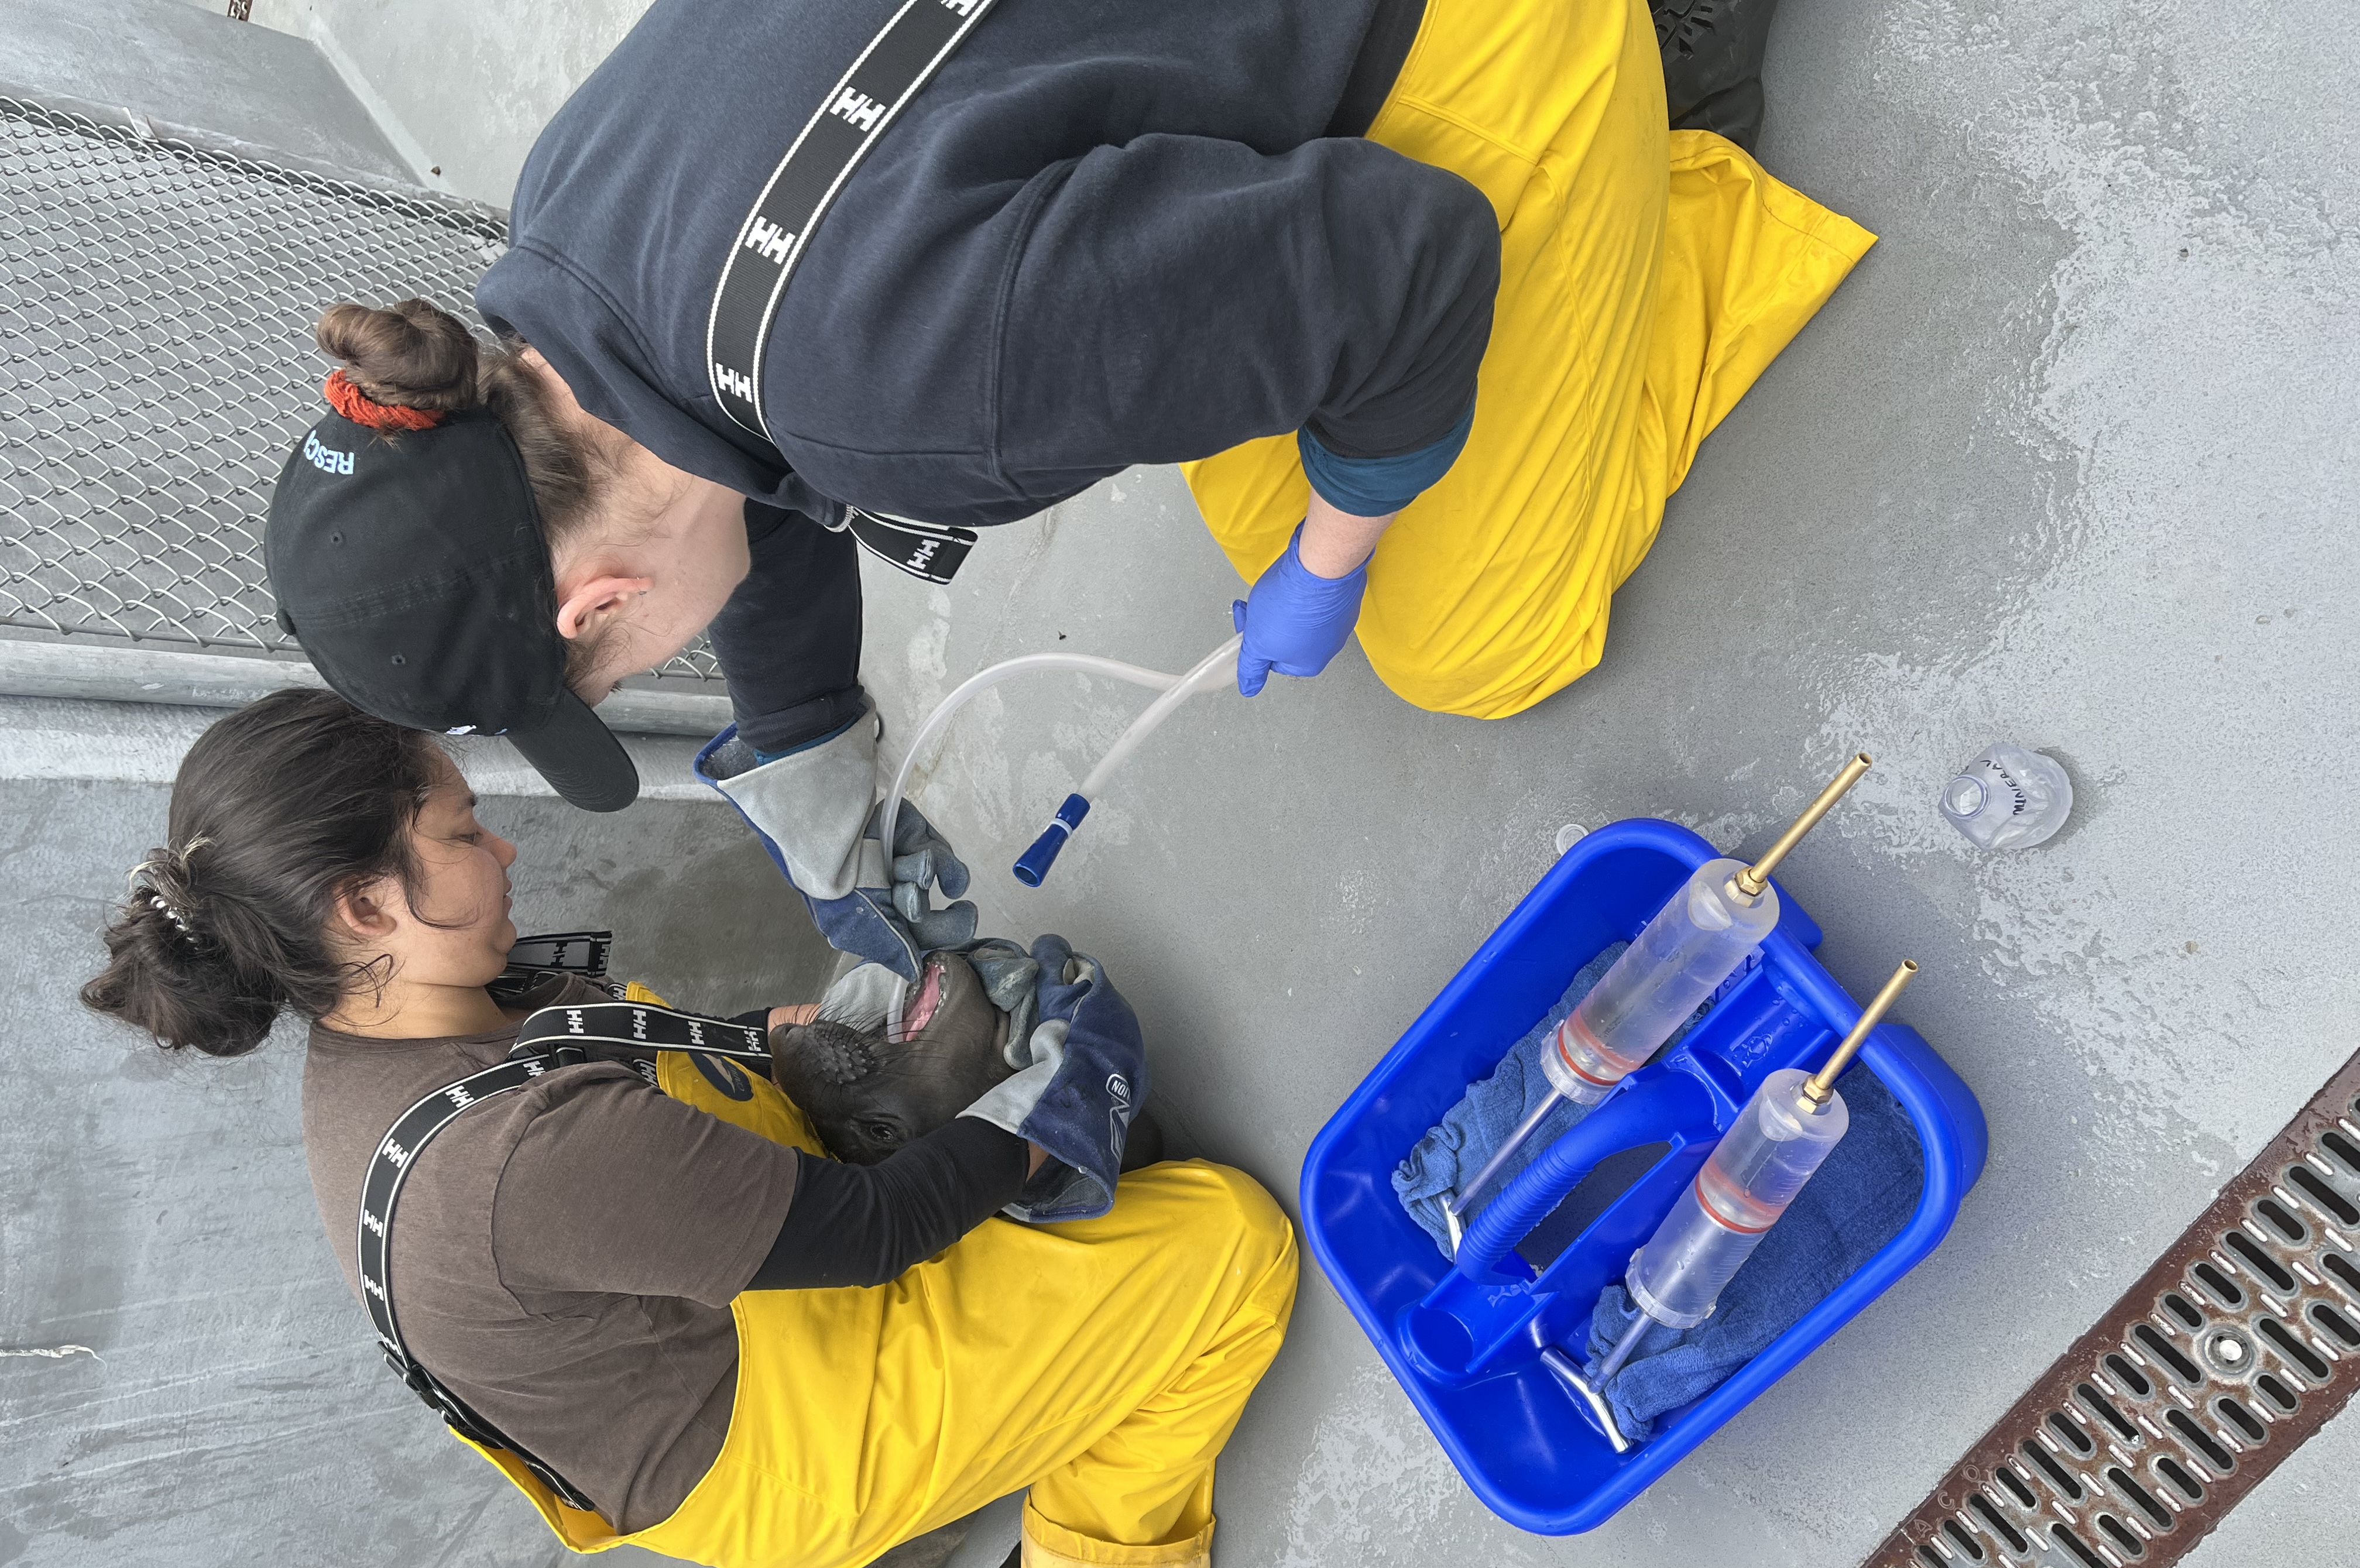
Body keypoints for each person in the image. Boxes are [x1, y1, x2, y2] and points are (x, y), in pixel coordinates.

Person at [258, 0, 1870, 984]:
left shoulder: (906, 388)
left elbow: (1410, 264)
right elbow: (749, 477)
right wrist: (810, 740)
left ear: (591, 607)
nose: (643, 664)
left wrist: (1337, 544)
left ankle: (1673, 88)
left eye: (611, 674)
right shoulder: (570, 236)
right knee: (1244, 452)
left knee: (1470, 640)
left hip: (1463, 33)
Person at [80, 689, 1299, 1568]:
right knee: (1227, 1239)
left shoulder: (388, 1016)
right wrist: (1049, 1111)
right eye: (461, 830)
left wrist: (796, 1034)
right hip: (794, 1442)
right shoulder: (509, 1164)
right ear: (363, 905)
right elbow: (883, 1231)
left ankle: (945, 1492)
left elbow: (626, 1054)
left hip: (691, 1329)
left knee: (1060, 1185)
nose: (502, 846)